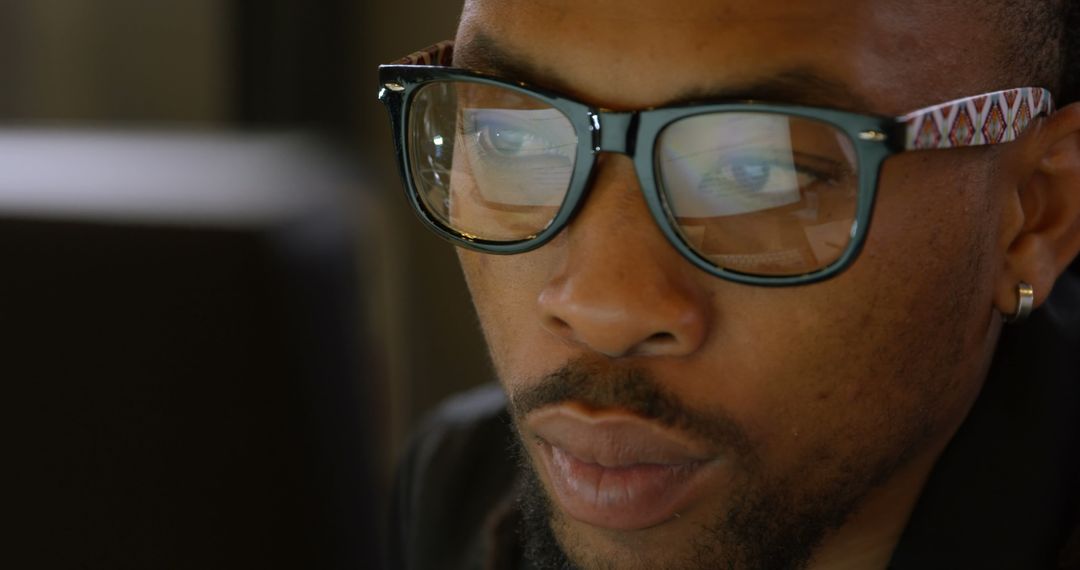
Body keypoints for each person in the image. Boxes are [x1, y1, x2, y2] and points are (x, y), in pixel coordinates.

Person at [378, 0, 1080, 568]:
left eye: (757, 173)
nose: (598, 308)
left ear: (1033, 219)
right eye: (512, 140)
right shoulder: (460, 489)